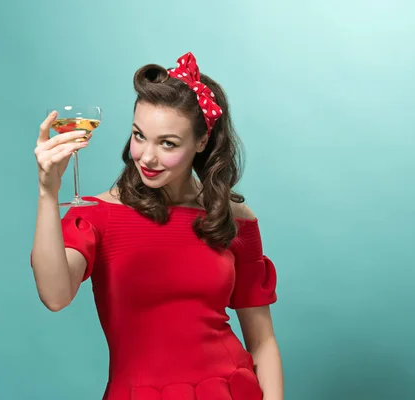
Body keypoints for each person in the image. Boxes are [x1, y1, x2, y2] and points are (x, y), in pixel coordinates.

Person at [31, 52, 284, 400]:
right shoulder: (99, 215)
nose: (147, 157)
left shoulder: (234, 219)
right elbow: (55, 296)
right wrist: (48, 193)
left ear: (201, 142)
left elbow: (263, 341)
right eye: (139, 136)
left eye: (168, 143)